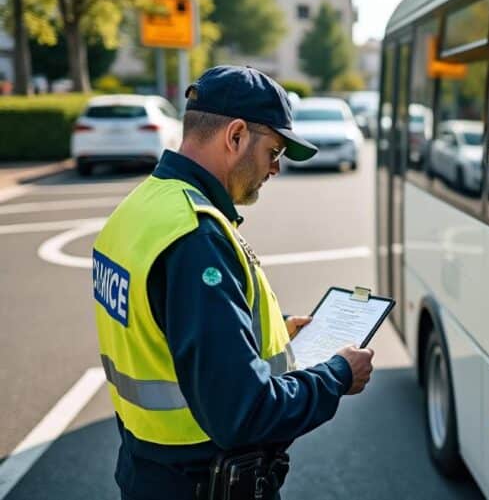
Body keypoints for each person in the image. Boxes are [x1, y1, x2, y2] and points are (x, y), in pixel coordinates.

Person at [92, 66, 375, 500]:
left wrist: (271, 328)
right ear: (236, 136)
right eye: (274, 151)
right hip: (202, 482)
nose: (276, 169)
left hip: (148, 471)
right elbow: (243, 413)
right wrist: (337, 375)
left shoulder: (142, 207)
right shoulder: (196, 237)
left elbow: (164, 323)